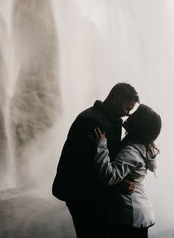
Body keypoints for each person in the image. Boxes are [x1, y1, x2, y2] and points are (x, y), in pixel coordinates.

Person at [52, 83, 140, 238]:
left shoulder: (109, 119)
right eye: (127, 108)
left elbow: (108, 158)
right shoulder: (91, 122)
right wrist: (119, 184)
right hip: (83, 196)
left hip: (94, 194)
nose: (127, 114)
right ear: (116, 99)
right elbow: (85, 168)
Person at [92, 104, 161, 238]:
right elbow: (153, 167)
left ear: (138, 124)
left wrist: (101, 145)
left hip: (130, 215)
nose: (129, 115)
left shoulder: (131, 151)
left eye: (134, 114)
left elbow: (109, 177)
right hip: (139, 212)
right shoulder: (146, 147)